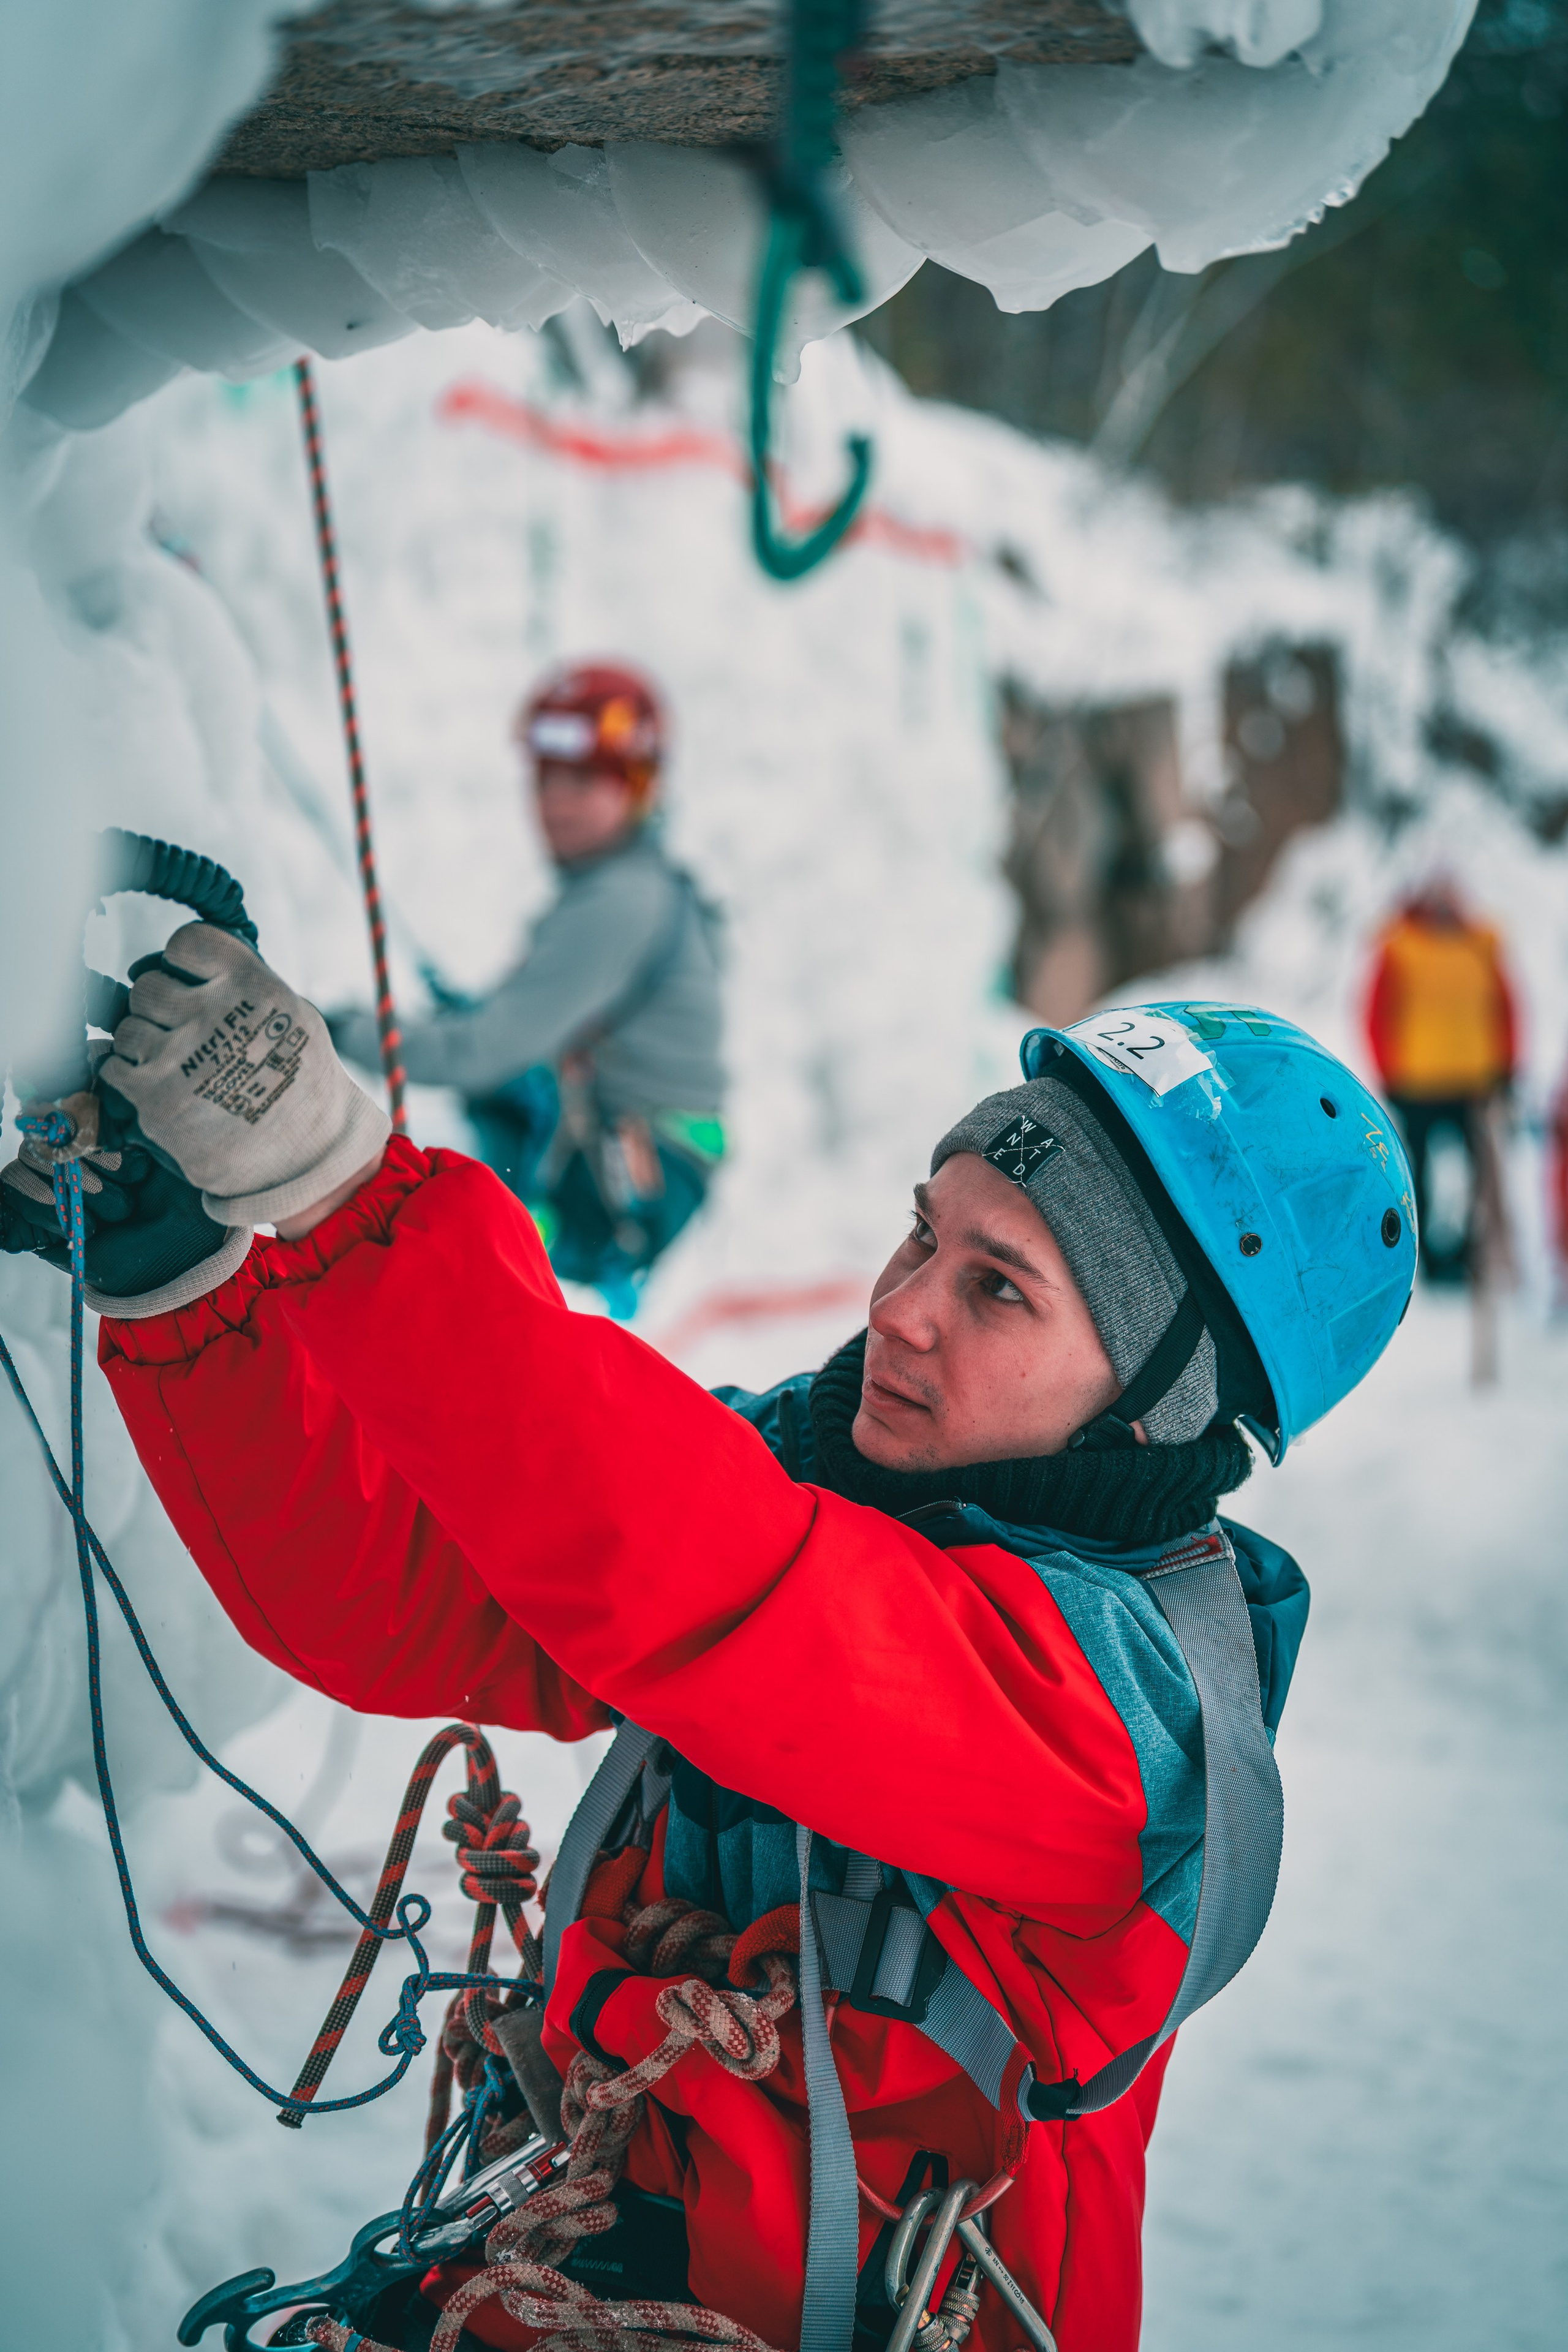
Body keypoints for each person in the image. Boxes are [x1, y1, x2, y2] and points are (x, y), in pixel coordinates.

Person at [1, 961, 1415, 2352]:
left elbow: (696, 1571)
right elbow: (398, 1586)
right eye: (923, 1234)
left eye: (998, 1289)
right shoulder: (809, 1483)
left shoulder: (1110, 1718)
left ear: (1157, 1405)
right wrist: (188, 1293)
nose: (900, 1307)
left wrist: (341, 1189)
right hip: (604, 2260)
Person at [332, 661, 725, 1314]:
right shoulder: (639, 886)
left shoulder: (621, 901)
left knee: (410, 1221)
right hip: (641, 1162)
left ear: (638, 787)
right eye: (544, 778)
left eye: (581, 779)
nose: (554, 801)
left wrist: (330, 1029)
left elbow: (480, 1052)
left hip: (616, 1190)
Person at [1366, 875, 1517, 1284]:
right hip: (1418, 1085)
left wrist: (1507, 1068)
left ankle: (1473, 1250)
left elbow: (1504, 1008)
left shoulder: (1480, 944)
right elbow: (1378, 1013)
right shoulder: (1400, 946)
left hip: (1474, 1084)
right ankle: (1428, 1255)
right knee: (1420, 1176)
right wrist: (1388, 1073)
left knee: (1479, 1174)